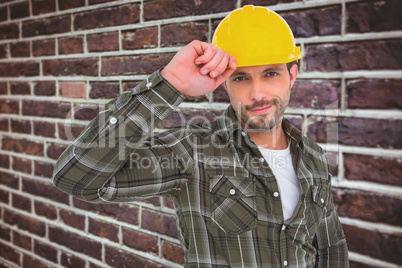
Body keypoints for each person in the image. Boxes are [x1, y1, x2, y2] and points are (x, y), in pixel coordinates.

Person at [53, 5, 349, 268]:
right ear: (224, 83)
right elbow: (76, 178)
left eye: (271, 74)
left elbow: (330, 249)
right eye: (241, 77)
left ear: (292, 75)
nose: (257, 94)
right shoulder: (193, 150)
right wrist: (170, 85)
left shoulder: (313, 157)